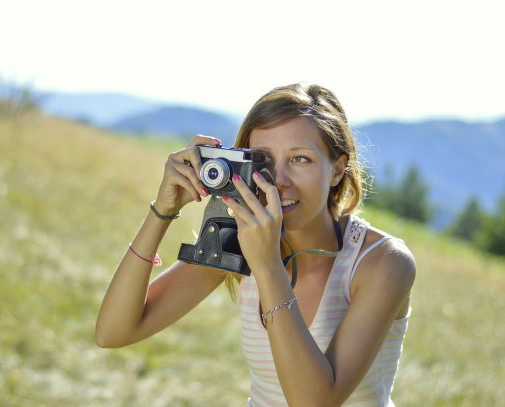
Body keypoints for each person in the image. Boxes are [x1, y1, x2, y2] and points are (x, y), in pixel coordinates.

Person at [95, 83, 416, 406]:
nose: (278, 180)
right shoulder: (237, 241)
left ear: (336, 169)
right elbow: (114, 331)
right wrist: (162, 210)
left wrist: (267, 267)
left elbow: (314, 402)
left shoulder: (383, 262)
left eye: (300, 159)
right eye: (263, 160)